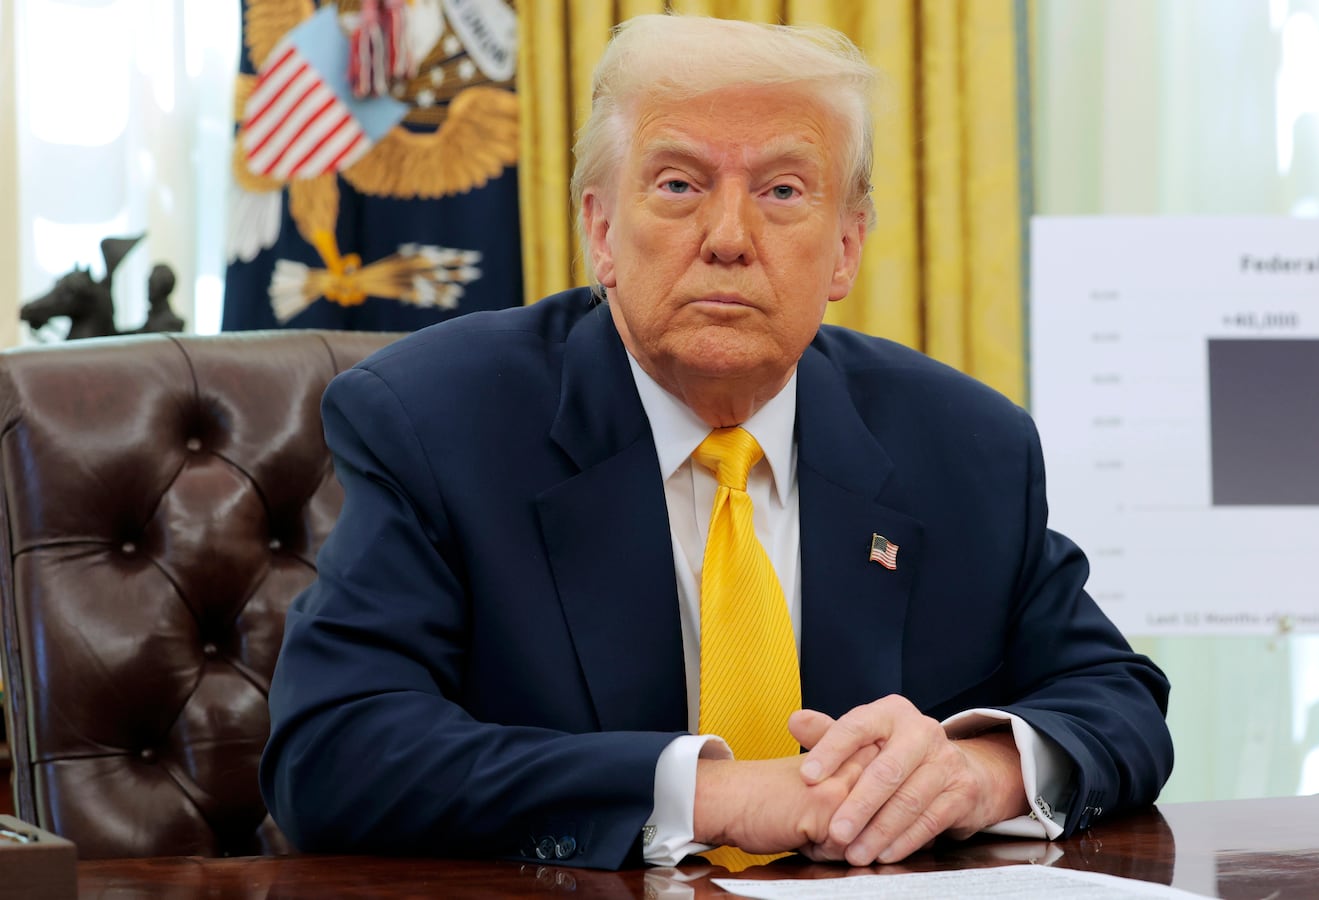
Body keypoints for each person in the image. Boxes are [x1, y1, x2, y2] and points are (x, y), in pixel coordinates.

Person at [261, 14, 1173, 872]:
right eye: (679, 185)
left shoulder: (968, 446)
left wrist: (979, 773)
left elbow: (1117, 698)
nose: (729, 238)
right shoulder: (436, 421)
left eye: (782, 191)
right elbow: (334, 750)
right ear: (601, 231)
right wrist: (716, 796)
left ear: (847, 248)